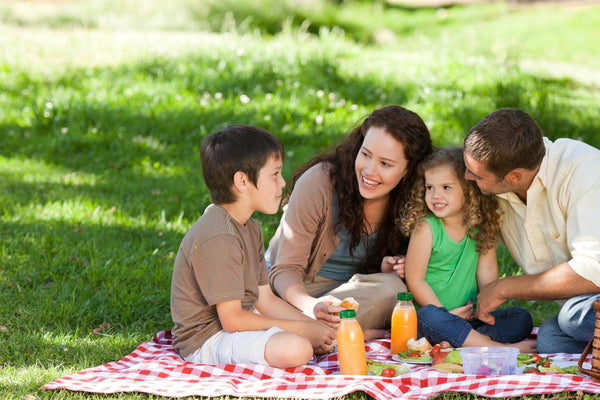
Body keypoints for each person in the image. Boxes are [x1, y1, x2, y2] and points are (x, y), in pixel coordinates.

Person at [170, 125, 336, 368]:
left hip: (238, 324)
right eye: (275, 174)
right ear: (242, 181)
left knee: (314, 335)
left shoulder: (250, 227)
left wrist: (311, 325)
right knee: (297, 347)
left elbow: (264, 299)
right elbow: (232, 321)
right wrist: (302, 329)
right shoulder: (219, 236)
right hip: (206, 339)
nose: (282, 183)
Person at [267, 105, 433, 340]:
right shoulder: (319, 183)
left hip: (352, 296)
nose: (369, 171)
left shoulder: (417, 201)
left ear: (408, 170)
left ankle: (313, 333)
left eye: (385, 164)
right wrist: (312, 306)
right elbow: (284, 270)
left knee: (393, 290)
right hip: (295, 291)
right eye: (365, 154)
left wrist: (395, 267)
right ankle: (345, 333)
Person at [463, 108, 600, 354]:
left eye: (476, 175)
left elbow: (594, 269)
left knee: (573, 317)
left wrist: (506, 286)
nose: (466, 177)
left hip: (587, 300)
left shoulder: (586, 172)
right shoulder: (498, 188)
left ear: (514, 176)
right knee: (551, 339)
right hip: (588, 304)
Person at [400, 147, 535, 352]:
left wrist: (484, 310)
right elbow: (415, 280)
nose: (435, 195)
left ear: (469, 190)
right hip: (433, 320)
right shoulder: (426, 228)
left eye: (446, 187)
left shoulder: (481, 228)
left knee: (521, 318)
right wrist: (445, 314)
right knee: (428, 316)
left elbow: (488, 277)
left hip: (468, 320)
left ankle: (467, 342)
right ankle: (498, 348)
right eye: (430, 187)